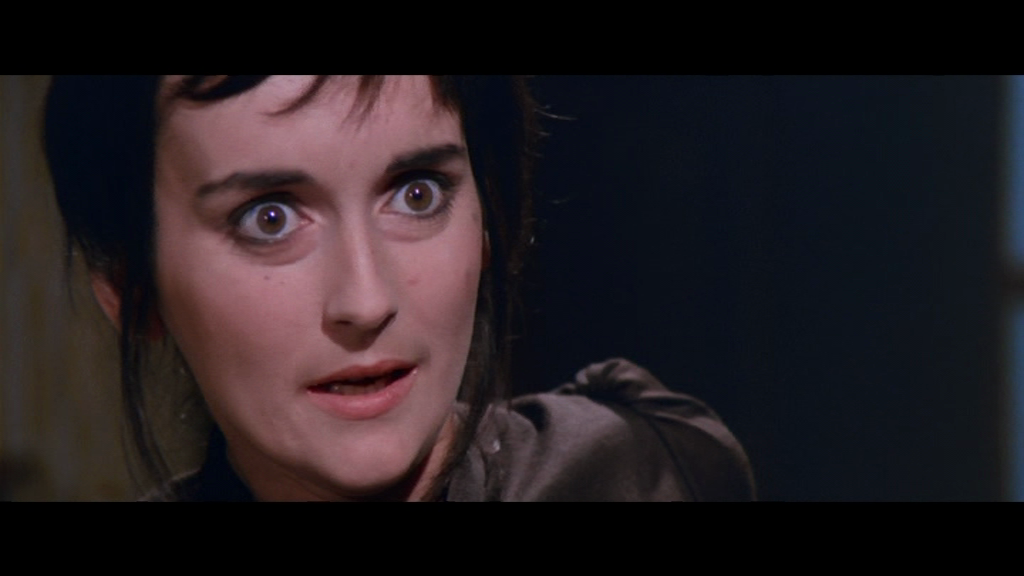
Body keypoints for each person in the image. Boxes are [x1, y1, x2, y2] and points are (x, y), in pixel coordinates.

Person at [44, 75, 756, 501]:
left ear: (488, 219)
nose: (366, 300)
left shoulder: (647, 474)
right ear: (131, 291)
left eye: (418, 194)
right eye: (270, 218)